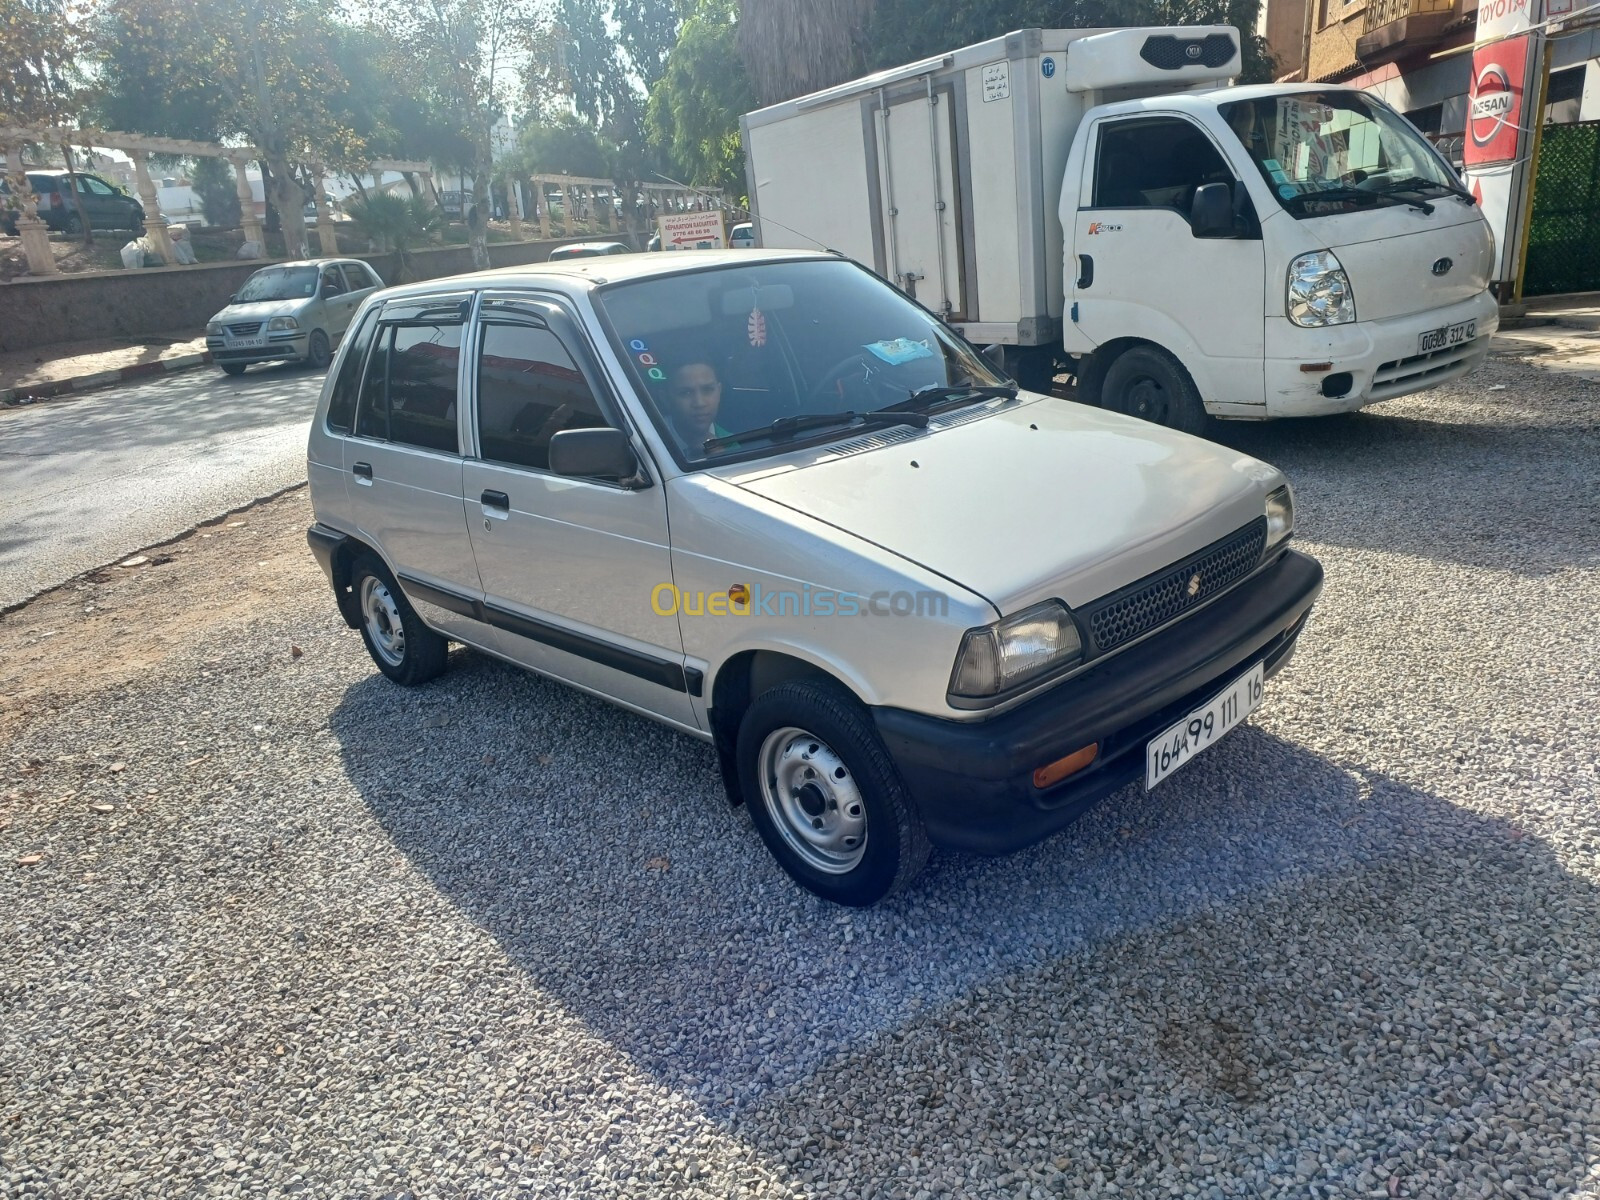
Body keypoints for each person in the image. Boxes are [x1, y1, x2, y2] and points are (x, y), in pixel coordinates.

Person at [666, 358, 732, 452]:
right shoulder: (646, 441)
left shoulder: (735, 445)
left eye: (707, 390)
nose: (699, 403)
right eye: (686, 393)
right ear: (665, 399)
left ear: (719, 392)